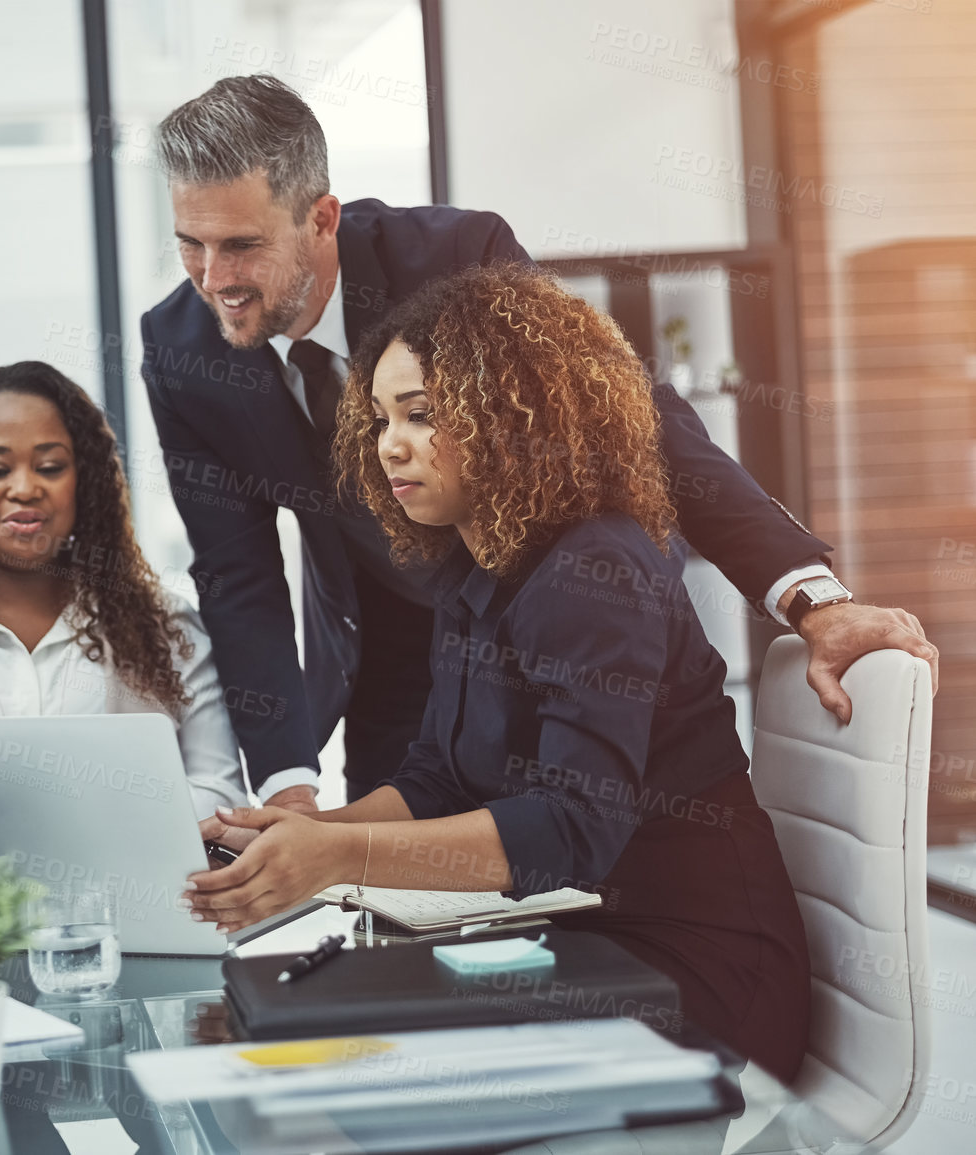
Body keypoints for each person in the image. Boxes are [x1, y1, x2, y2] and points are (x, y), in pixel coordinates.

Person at [143, 74, 937, 811]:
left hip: (553, 630)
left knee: (570, 868)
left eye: (240, 246)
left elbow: (637, 419)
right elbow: (236, 575)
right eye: (190, 244)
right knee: (402, 917)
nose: (212, 279)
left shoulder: (451, 259)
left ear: (321, 217)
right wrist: (286, 780)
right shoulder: (182, 352)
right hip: (388, 661)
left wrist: (811, 597)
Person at [190, 264, 813, 1079]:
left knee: (358, 1057)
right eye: (380, 418)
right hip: (592, 942)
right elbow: (438, 779)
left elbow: (571, 831)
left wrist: (337, 861)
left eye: (420, 415)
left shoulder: (596, 569)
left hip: (700, 970)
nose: (390, 445)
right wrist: (303, 834)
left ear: (514, 413)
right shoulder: (475, 564)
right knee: (309, 1028)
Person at [0, 360, 247, 823]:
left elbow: (221, 794)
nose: (24, 488)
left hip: (119, 893)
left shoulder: (166, 625)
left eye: (50, 466)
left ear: (83, 481)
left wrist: (81, 822)